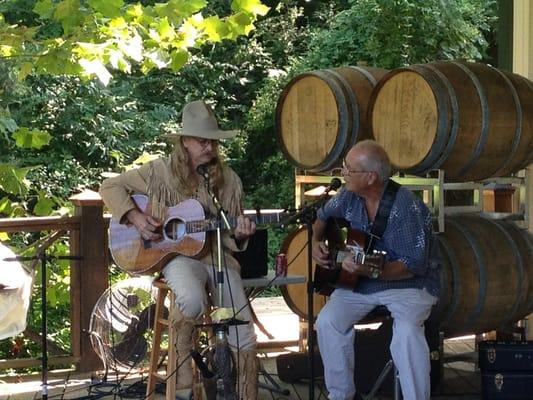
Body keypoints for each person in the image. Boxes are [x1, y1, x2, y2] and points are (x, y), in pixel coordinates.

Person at [99, 100, 259, 398]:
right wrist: (135, 216)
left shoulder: (229, 181)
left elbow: (232, 237)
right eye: (201, 140)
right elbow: (109, 187)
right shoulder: (159, 173)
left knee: (243, 329)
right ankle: (183, 384)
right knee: (192, 301)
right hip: (177, 257)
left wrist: (240, 233)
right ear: (184, 142)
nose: (209, 147)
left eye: (212, 141)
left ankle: (244, 393)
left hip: (218, 258)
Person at [311, 140, 440, 400]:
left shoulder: (407, 208)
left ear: (371, 177)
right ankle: (341, 395)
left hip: (409, 285)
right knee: (327, 322)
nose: (343, 173)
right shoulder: (348, 196)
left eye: (349, 169)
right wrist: (315, 242)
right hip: (362, 283)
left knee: (407, 333)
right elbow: (321, 217)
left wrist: (371, 271)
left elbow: (411, 266)